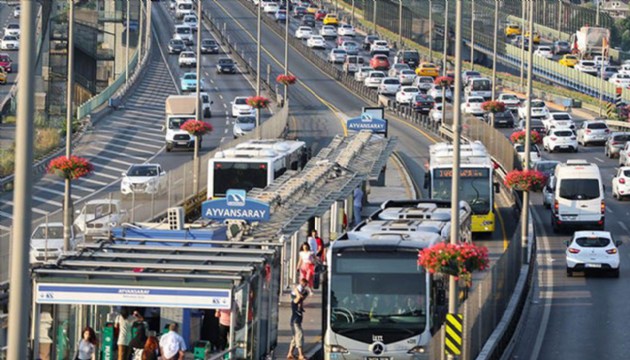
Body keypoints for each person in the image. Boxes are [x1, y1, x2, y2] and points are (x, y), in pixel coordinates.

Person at [287, 278, 310, 360]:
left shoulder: (300, 300)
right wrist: (298, 293)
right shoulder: (295, 301)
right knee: (299, 336)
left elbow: (303, 296)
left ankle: (290, 353)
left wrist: (302, 294)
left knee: (294, 338)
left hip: (296, 321)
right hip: (295, 321)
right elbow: (297, 299)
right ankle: (300, 355)